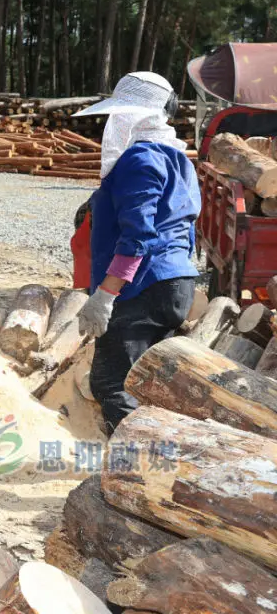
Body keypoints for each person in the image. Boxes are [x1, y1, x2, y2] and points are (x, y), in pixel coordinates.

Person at [74, 72, 201, 432]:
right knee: (148, 384)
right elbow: (183, 223)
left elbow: (138, 236)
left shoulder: (139, 160)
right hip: (175, 284)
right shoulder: (180, 161)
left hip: (142, 287)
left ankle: (134, 472)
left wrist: (106, 294)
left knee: (113, 384)